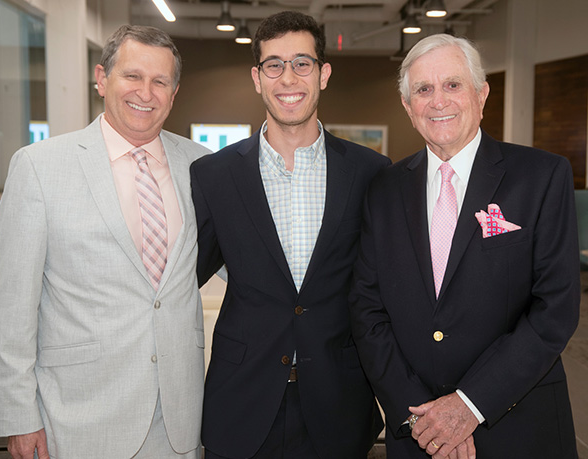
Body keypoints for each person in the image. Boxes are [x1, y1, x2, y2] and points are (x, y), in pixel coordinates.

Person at [349, 33, 580, 459]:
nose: (439, 101)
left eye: (453, 84)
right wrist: (422, 418)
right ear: (407, 106)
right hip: (419, 434)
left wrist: (468, 406)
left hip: (519, 428)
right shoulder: (382, 189)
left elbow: (555, 310)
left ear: (481, 93)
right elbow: (367, 310)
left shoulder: (541, 177)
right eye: (423, 89)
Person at [0, 25, 210, 459]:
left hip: (179, 421)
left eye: (160, 81)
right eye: (132, 75)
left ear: (175, 91)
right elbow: (15, 308)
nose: (145, 92)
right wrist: (19, 416)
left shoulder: (201, 166)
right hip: (76, 418)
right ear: (101, 78)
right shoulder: (39, 166)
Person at [190, 11, 388, 459]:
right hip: (241, 401)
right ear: (257, 78)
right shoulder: (214, 176)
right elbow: (185, 277)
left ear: (324, 73)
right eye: (274, 65)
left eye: (302, 62)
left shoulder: (371, 173)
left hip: (338, 402)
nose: (288, 78)